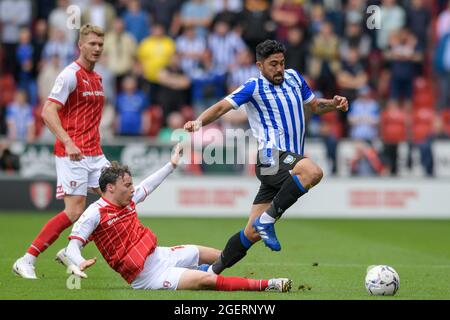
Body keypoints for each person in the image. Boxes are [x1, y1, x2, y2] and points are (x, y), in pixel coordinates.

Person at [184, 40, 348, 275]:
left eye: (281, 63)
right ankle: (268, 221)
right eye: (273, 64)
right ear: (260, 65)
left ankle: (211, 271)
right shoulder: (253, 86)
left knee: (250, 232)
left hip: (288, 160)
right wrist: (199, 121)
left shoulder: (294, 78)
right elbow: (222, 107)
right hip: (270, 156)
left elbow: (314, 106)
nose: (279, 68)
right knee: (313, 172)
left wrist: (333, 104)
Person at [64, 145, 292, 292]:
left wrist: (172, 165)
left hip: (161, 254)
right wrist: (77, 261)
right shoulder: (95, 212)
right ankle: (267, 285)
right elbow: (73, 245)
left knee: (219, 255)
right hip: (147, 276)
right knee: (207, 282)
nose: (133, 189)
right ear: (111, 188)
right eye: (128, 185)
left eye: (132, 184)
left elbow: (148, 185)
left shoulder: (127, 199)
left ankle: (205, 274)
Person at [13, 24, 110, 279]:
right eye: (92, 43)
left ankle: (71, 249)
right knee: (74, 211)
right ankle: (27, 259)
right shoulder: (69, 74)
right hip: (72, 152)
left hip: (95, 153)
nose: (97, 48)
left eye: (100, 44)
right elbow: (47, 111)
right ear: (80, 45)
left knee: (119, 201)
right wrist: (68, 141)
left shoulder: (98, 78)